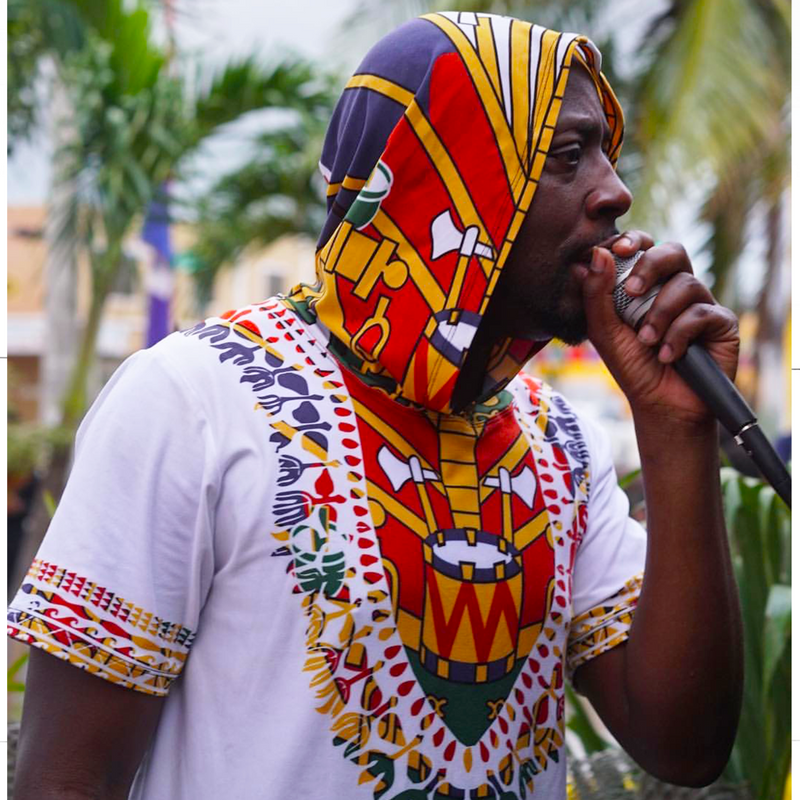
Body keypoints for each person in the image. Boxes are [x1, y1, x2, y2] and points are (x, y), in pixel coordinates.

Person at [9, 12, 743, 800]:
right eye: (567, 155)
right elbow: (65, 781)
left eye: (607, 149)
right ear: (448, 179)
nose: (616, 191)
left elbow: (685, 744)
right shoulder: (193, 400)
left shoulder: (560, 439)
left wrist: (676, 434)